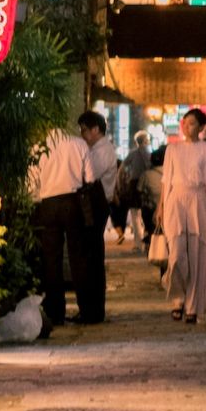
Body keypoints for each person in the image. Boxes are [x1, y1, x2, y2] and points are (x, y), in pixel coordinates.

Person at [160, 108, 206, 324]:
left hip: (198, 199)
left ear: (201, 127)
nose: (188, 127)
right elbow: (166, 180)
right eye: (185, 123)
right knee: (177, 254)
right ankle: (177, 298)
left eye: (192, 123)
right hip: (176, 199)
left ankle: (192, 305)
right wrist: (161, 207)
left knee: (197, 254)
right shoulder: (172, 149)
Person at [28, 128, 95, 326]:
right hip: (73, 202)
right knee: (78, 257)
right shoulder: (79, 144)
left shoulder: (38, 148)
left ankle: (55, 311)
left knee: (51, 259)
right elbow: (90, 178)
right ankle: (87, 310)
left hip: (48, 204)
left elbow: (31, 184)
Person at [75, 111, 117, 323]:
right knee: (90, 257)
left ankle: (93, 310)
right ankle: (91, 309)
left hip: (96, 205)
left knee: (91, 258)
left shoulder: (102, 151)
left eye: (84, 129)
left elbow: (88, 176)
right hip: (95, 204)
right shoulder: (96, 149)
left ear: (95, 130)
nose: (82, 134)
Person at [112, 131, 154, 245]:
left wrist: (120, 182)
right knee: (148, 211)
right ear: (146, 141)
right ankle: (147, 237)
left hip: (134, 184)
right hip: (147, 184)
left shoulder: (133, 153)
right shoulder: (150, 154)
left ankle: (138, 241)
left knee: (135, 213)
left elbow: (122, 168)